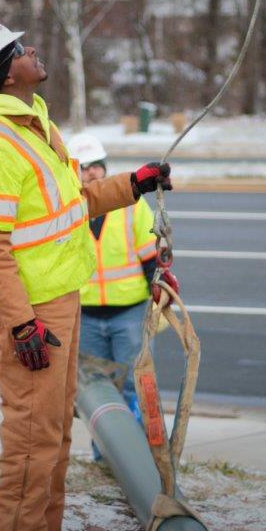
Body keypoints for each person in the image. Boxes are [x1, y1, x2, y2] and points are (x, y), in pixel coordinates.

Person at [0, 18, 173, 531]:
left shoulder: (36, 129)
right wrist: (21, 322)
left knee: (54, 432)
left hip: (59, 298)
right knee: (30, 437)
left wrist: (135, 184)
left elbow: (77, 203)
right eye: (20, 49)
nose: (33, 50)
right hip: (31, 313)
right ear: (4, 73)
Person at [65, 133, 179, 459]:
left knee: (138, 388)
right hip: (85, 316)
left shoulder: (129, 206)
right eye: (85, 168)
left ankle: (146, 459)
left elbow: (149, 254)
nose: (93, 174)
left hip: (128, 314)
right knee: (100, 392)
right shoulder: (67, 210)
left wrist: (158, 286)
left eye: (98, 166)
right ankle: (107, 458)